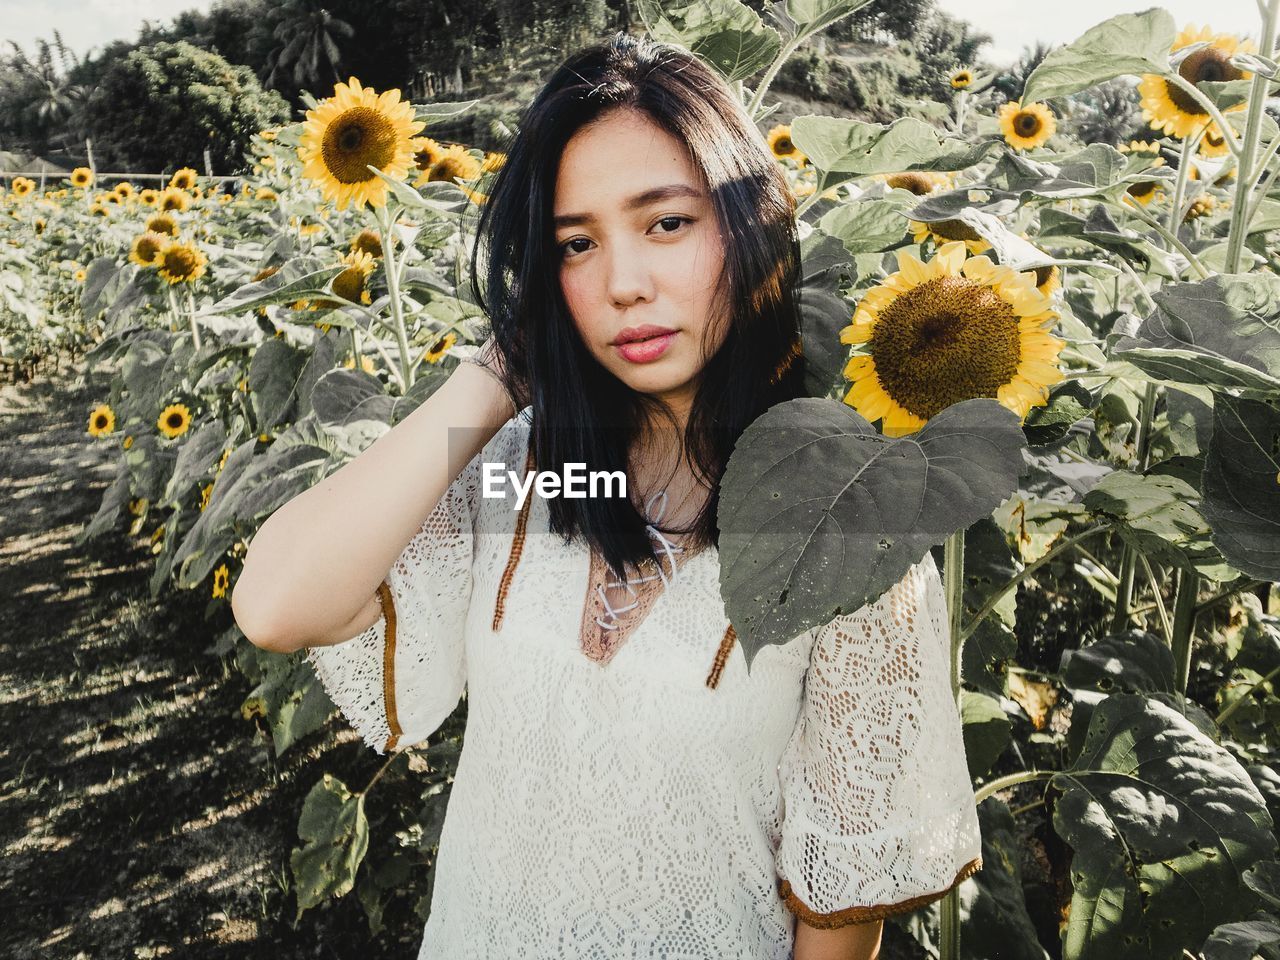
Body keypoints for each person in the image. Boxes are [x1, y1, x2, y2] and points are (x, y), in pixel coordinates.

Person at [232, 30, 982, 960]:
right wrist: (493, 375)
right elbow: (275, 605)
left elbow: (837, 914)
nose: (623, 286)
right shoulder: (529, 471)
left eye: (667, 223)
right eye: (576, 245)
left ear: (749, 226)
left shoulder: (843, 521)